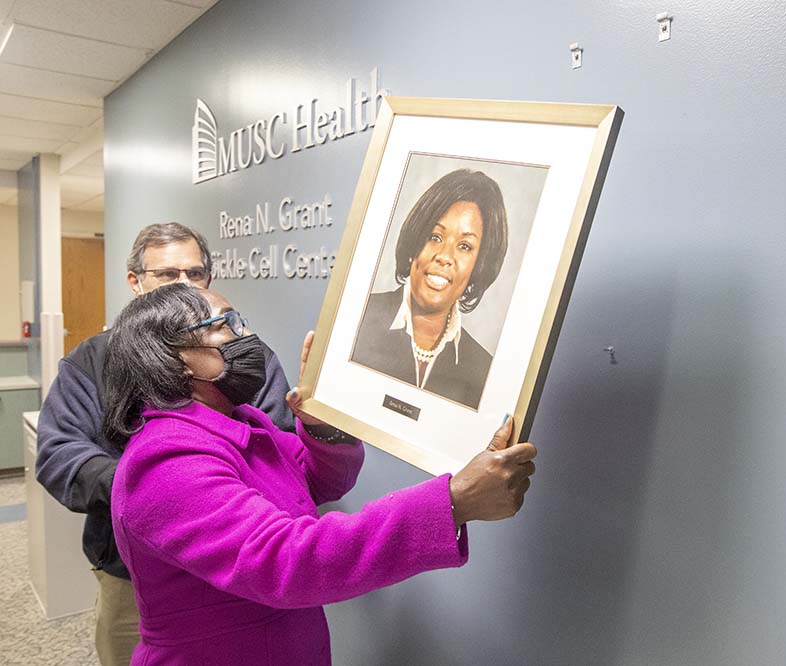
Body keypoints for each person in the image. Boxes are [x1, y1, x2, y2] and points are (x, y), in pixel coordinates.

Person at [104, 283, 536, 665]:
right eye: (227, 325)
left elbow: (317, 481)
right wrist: (451, 502)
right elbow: (284, 561)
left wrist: (322, 419)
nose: (247, 336)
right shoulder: (165, 461)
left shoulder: (245, 422)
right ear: (175, 360)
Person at [34, 223, 295, 666]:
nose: (185, 286)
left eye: (195, 274)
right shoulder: (92, 361)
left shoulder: (242, 353)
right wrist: (158, 487)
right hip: (130, 573)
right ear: (136, 283)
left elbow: (281, 440)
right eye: (167, 275)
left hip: (238, 563)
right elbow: (60, 454)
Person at [352, 168, 509, 409]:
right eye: (435, 237)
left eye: (465, 246)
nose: (445, 256)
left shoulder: (484, 372)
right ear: (415, 242)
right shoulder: (355, 321)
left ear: (478, 266)